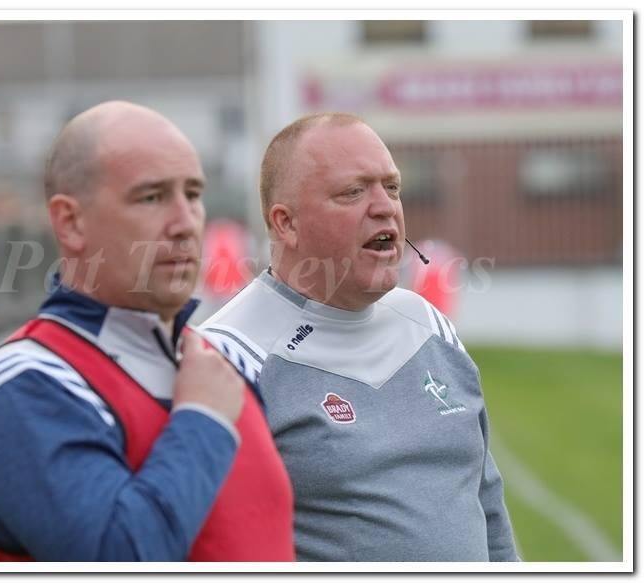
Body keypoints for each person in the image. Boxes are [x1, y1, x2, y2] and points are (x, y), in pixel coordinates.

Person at [0, 102, 295, 562]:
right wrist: (201, 422)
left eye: (193, 194)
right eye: (151, 197)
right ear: (70, 221)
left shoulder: (222, 364)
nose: (185, 223)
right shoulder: (27, 381)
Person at [200, 113, 518, 562]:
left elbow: (488, 507)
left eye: (392, 187)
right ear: (286, 223)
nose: (385, 206)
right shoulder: (227, 357)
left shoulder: (430, 325)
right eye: (353, 191)